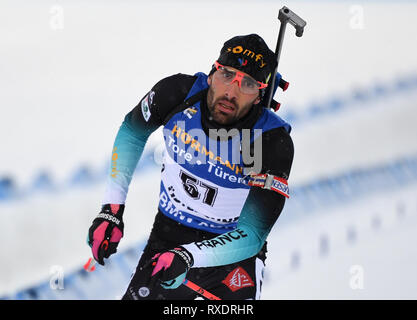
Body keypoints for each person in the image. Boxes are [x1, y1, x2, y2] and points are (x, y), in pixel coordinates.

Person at [87, 33, 294, 300]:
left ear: (259, 96)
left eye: (248, 84)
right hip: (169, 237)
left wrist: (189, 256)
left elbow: (252, 233)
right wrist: (111, 210)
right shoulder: (177, 94)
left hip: (232, 255)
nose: (231, 92)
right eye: (227, 74)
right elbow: (132, 132)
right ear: (212, 74)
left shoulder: (270, 140)